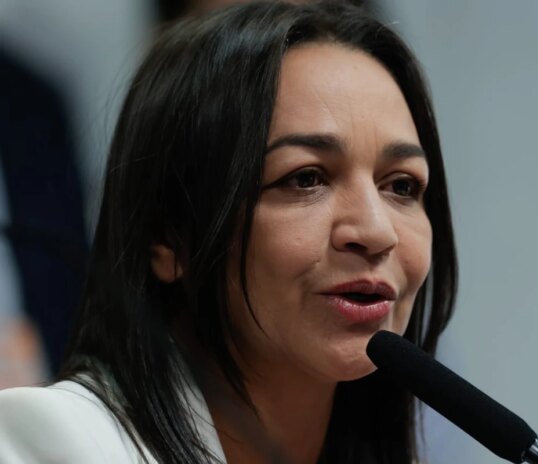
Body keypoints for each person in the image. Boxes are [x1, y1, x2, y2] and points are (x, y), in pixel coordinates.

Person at [0, 1, 457, 463]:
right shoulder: (56, 444)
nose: (377, 231)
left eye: (402, 186)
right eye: (305, 178)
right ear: (169, 237)